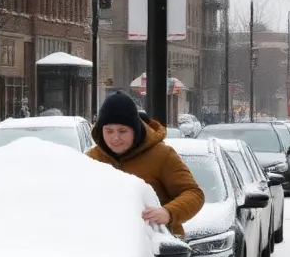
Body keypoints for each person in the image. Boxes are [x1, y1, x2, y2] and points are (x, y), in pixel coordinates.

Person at [87, 92, 205, 238]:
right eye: (109, 131)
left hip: (161, 248)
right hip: (106, 247)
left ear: (135, 130)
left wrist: (168, 212)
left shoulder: (162, 155)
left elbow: (194, 194)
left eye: (122, 131)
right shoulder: (91, 159)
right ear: (100, 130)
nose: (115, 138)